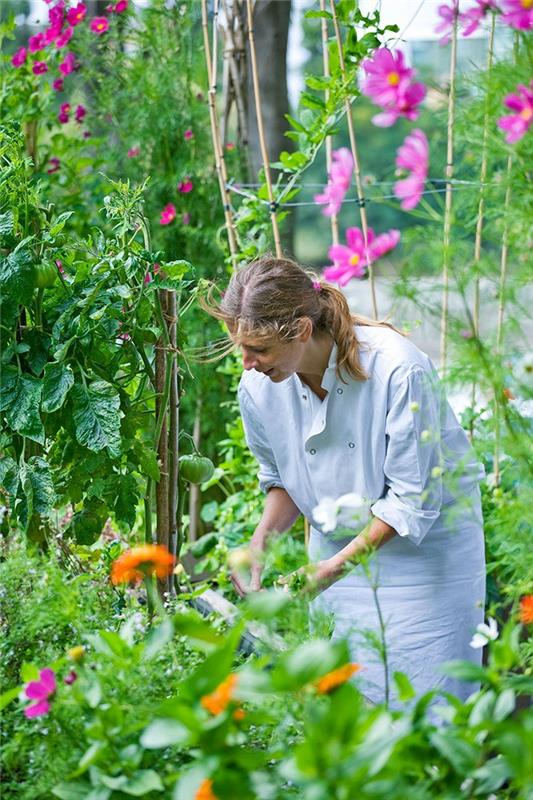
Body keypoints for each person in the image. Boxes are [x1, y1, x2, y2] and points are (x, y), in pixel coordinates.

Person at [202, 255, 486, 707]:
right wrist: (261, 543)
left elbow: (410, 502)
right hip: (335, 561)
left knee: (427, 707)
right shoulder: (257, 387)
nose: (247, 362)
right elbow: (283, 479)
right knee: (350, 711)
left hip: (426, 562)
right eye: (241, 347)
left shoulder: (398, 369)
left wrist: (327, 572)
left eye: (258, 348)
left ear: (299, 330)